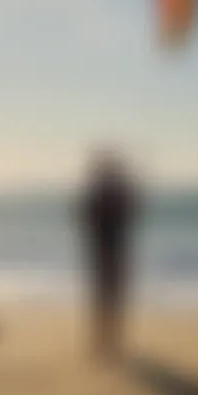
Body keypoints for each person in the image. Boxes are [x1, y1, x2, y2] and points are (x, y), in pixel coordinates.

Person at [78, 149, 140, 362]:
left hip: (102, 251)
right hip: (111, 251)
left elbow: (84, 219)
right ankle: (107, 341)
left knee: (105, 297)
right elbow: (131, 213)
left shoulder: (99, 194)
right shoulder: (110, 194)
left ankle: (104, 341)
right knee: (111, 297)